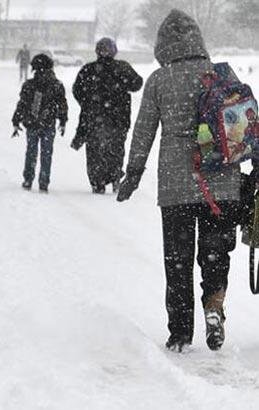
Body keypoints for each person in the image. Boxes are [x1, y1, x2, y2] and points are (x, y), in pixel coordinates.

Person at [117, 10, 252, 352]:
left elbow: (144, 130)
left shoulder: (160, 80)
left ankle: (179, 333)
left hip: (176, 185)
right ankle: (214, 306)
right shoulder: (221, 74)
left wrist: (133, 173)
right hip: (221, 182)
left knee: (177, 260)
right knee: (215, 253)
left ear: (163, 45)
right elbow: (246, 125)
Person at [71, 38, 143, 194]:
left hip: (94, 118)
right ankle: (115, 176)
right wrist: (122, 86)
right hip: (119, 118)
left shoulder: (88, 70)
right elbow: (137, 84)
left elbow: (77, 90)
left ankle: (98, 182)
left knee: (95, 151)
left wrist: (88, 103)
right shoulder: (122, 67)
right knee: (116, 149)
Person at [11, 54, 68, 193]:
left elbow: (22, 104)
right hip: (48, 123)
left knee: (31, 152)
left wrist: (16, 120)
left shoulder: (29, 85)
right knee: (46, 153)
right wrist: (63, 120)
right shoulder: (57, 85)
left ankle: (28, 179)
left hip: (32, 123)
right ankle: (43, 181)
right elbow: (62, 104)